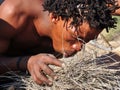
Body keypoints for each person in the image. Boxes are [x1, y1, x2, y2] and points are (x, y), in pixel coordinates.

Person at [0, 0, 119, 85]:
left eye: (86, 41)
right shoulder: (14, 14)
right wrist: (26, 62)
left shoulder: (88, 10)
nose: (78, 47)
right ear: (55, 17)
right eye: (75, 37)